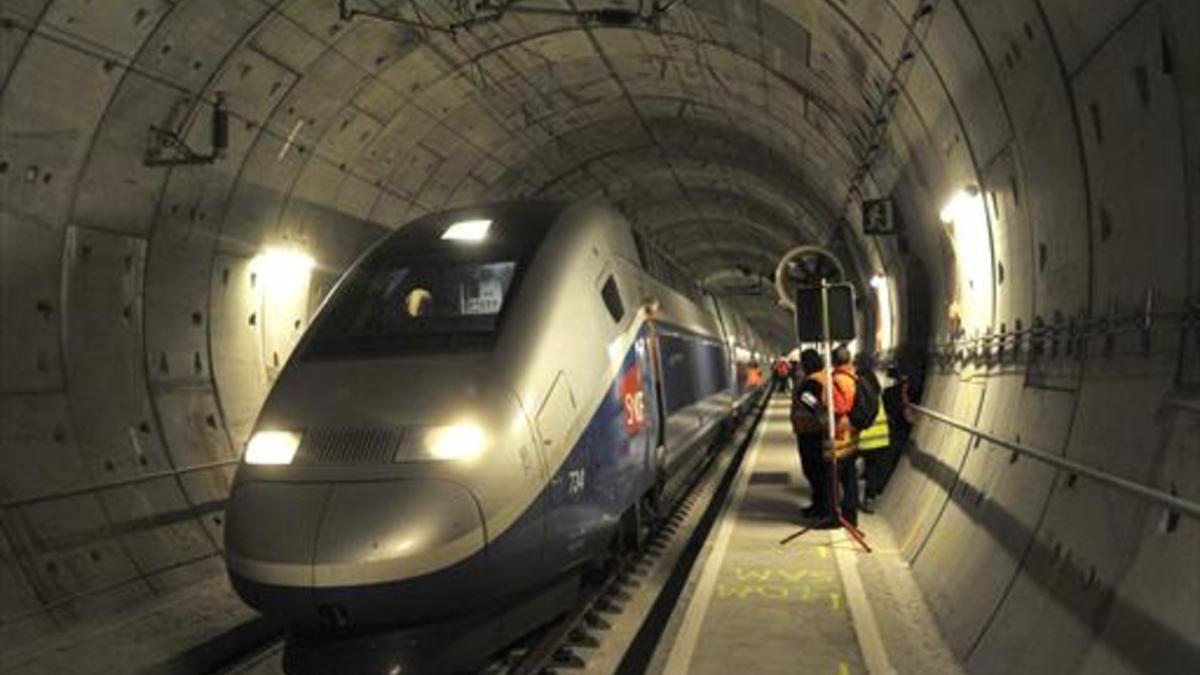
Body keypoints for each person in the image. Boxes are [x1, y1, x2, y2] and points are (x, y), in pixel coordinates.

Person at [808, 344, 859, 528]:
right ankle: (851, 516)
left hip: (837, 435)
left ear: (834, 361)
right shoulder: (853, 377)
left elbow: (839, 407)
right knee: (849, 478)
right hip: (850, 435)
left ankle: (834, 517)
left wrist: (821, 409)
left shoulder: (836, 380)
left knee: (832, 479)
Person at [790, 349, 828, 518]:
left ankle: (821, 507)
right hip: (818, 431)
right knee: (820, 471)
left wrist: (820, 416)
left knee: (814, 471)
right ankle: (819, 505)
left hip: (810, 433)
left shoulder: (811, 382)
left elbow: (813, 403)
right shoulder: (824, 376)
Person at [855, 354, 890, 511]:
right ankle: (869, 499)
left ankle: (850, 499)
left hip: (863, 435)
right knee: (873, 470)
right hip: (881, 436)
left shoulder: (857, 384)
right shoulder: (876, 383)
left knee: (850, 468)